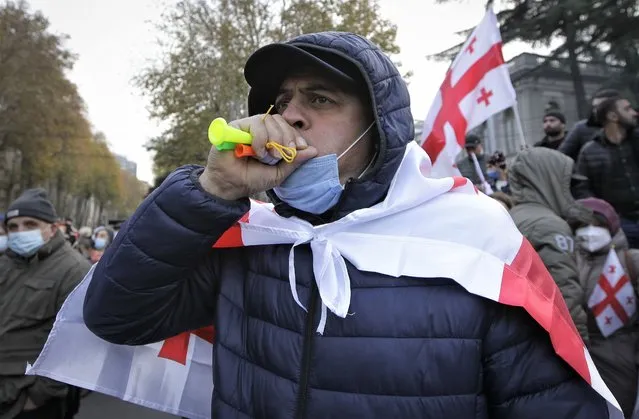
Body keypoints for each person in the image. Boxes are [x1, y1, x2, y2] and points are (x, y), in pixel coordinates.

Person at [83, 32, 607, 418]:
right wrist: (212, 190)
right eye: (281, 102)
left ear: (380, 127)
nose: (289, 118)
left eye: (320, 99)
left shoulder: (474, 245)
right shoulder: (257, 241)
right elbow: (118, 318)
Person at [0, 189, 91, 418]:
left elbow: (75, 344)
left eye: (30, 224)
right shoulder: (6, 263)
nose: (20, 232)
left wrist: (37, 397)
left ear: (51, 228)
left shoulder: (73, 269)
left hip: (31, 400)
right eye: (13, 227)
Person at [508, 148, 594, 344]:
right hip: (552, 339)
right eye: (568, 183)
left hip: (523, 334)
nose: (573, 191)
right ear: (551, 180)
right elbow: (565, 294)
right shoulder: (549, 225)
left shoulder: (514, 216)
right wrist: (580, 344)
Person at [574, 198, 639, 418]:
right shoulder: (566, 259)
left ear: (611, 226)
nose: (590, 232)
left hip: (621, 352)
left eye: (598, 225)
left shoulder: (631, 260)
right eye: (582, 226)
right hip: (582, 352)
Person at [573, 94, 639, 247]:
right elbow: (582, 189)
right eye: (627, 109)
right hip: (621, 225)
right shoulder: (589, 151)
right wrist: (604, 216)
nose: (634, 112)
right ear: (613, 116)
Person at [559, 89, 620, 160]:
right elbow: (561, 156)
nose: (595, 111)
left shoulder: (629, 126)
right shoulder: (581, 128)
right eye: (594, 107)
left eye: (600, 106)